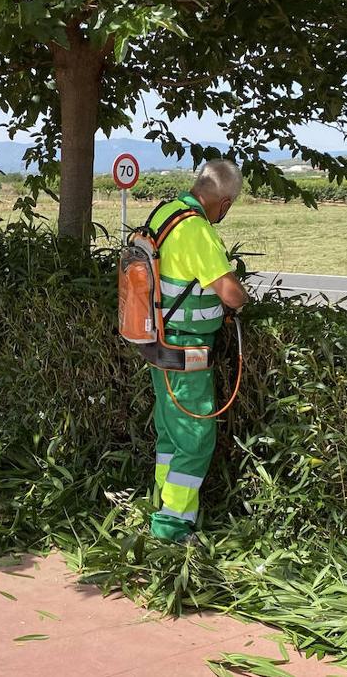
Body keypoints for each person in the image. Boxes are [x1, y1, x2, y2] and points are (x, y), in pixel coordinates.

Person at [146, 159, 249, 543]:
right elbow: (230, 293)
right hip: (187, 347)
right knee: (195, 434)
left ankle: (162, 503)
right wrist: (243, 300)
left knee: (171, 432)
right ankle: (172, 526)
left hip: (158, 342)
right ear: (223, 202)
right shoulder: (197, 231)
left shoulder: (167, 212)